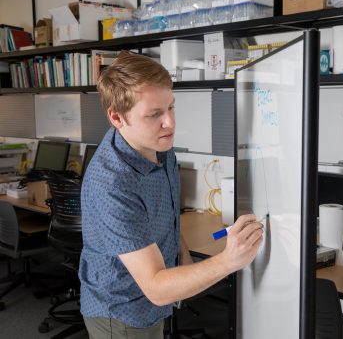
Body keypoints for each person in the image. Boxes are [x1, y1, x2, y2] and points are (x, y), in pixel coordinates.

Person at [78, 51, 263, 339]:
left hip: (152, 302)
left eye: (171, 108)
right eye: (154, 114)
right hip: (123, 312)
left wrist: (183, 255)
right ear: (117, 117)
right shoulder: (112, 183)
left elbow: (165, 213)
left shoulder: (158, 146)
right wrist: (229, 260)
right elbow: (156, 287)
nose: (170, 123)